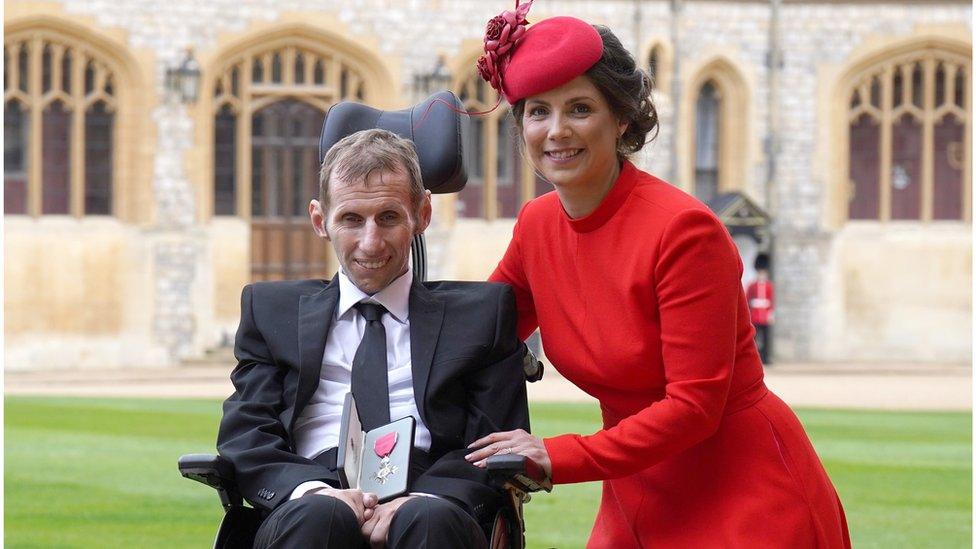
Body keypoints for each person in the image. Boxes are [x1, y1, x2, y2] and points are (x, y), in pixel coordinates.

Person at [463, 6, 850, 548]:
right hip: (635, 492)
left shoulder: (684, 230)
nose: (557, 131)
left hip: (743, 494)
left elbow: (694, 407)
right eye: (537, 112)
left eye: (579, 108)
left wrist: (557, 454)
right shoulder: (536, 225)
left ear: (620, 118)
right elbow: (476, 331)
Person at [217, 129, 529, 548]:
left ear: (422, 214)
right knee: (320, 517)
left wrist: (426, 495)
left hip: (432, 495)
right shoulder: (271, 310)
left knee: (429, 519)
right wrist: (314, 491)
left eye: (388, 217)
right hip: (309, 493)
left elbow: (498, 444)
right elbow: (246, 435)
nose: (371, 242)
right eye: (351, 219)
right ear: (319, 220)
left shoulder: (481, 316)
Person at [747, 254, 775, 364]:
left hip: (765, 314)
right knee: (754, 338)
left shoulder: (769, 286)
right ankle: (755, 359)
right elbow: (748, 299)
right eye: (760, 273)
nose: (762, 275)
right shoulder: (752, 285)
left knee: (766, 338)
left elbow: (771, 301)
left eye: (763, 273)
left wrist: (771, 314)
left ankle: (766, 357)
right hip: (755, 315)